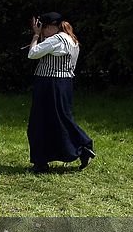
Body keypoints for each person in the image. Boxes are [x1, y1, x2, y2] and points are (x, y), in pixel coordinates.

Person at [26, 12, 95, 173]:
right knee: (61, 119)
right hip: (64, 84)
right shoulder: (71, 38)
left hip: (50, 83)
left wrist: (36, 36)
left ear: (50, 27)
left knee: (40, 122)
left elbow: (32, 53)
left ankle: (81, 145)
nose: (42, 32)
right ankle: (79, 147)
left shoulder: (55, 39)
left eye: (42, 28)